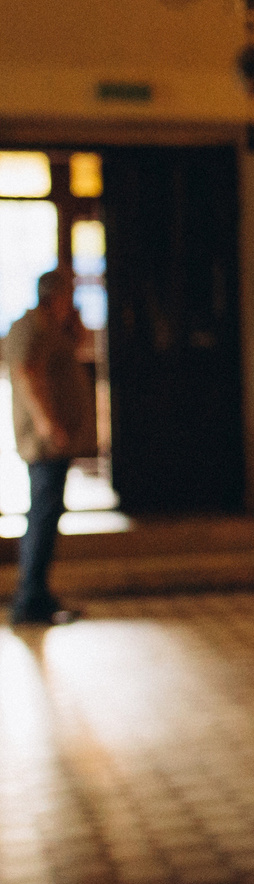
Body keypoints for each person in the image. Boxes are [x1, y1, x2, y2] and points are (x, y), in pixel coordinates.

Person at [7, 266, 95, 627]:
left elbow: (75, 348)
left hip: (56, 439)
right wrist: (47, 423)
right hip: (44, 441)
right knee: (42, 515)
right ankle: (29, 599)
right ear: (55, 295)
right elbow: (27, 373)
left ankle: (39, 594)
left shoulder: (54, 327)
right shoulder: (31, 327)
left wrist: (73, 323)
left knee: (49, 512)